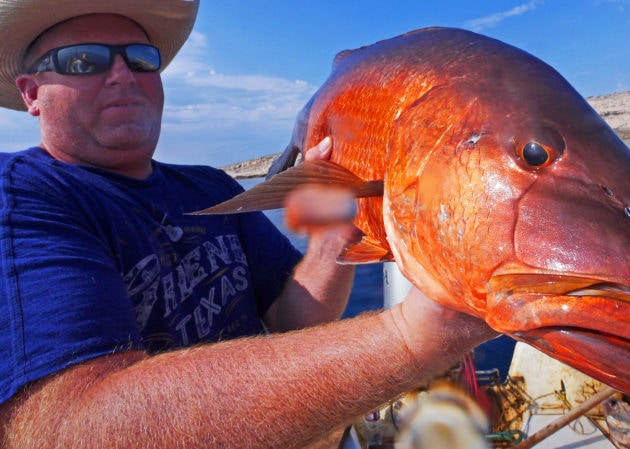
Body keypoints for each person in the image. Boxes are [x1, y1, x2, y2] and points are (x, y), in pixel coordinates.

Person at [0, 1, 497, 448]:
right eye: (83, 60)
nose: (122, 74)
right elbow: (65, 428)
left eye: (140, 57)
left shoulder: (211, 188)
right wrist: (416, 336)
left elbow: (290, 322)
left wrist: (335, 237)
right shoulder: (23, 196)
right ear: (32, 93)